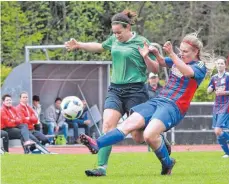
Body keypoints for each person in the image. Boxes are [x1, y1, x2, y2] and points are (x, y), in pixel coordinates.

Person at [80, 32, 214, 175]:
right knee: (127, 125)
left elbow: (187, 72)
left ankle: (167, 163)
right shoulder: (178, 59)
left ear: (196, 52)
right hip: (158, 101)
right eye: (180, 50)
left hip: (174, 106)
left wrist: (173, 54)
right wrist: (153, 54)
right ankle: (96, 144)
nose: (181, 54)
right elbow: (162, 62)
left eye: (185, 51)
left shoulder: (200, 66)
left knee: (149, 135)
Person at [65, 10, 171, 177]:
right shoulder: (114, 39)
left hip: (136, 91)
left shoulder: (141, 42)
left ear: (128, 27)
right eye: (114, 33)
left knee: (138, 136)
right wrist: (79, 44)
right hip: (115, 90)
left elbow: (155, 69)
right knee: (107, 126)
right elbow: (100, 46)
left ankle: (159, 140)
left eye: (119, 32)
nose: (116, 36)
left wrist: (145, 57)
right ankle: (101, 167)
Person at [207, 57, 229, 158]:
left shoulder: (228, 76)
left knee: (217, 130)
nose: (220, 65)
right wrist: (210, 88)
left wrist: (224, 92)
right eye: (218, 63)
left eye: (221, 63)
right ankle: (227, 153)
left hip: (226, 105)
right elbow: (208, 90)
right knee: (218, 132)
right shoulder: (214, 77)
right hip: (217, 105)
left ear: (225, 65)